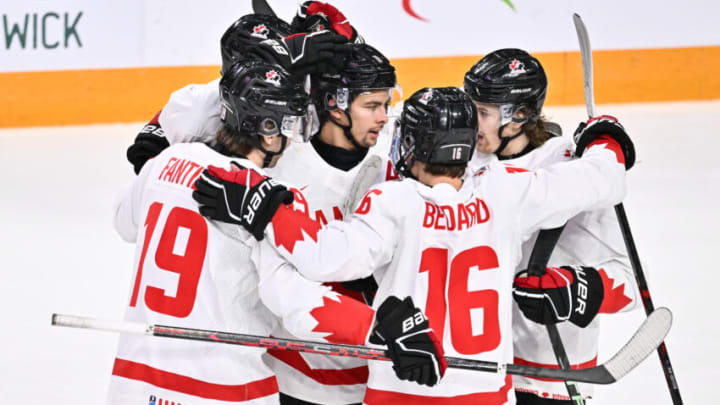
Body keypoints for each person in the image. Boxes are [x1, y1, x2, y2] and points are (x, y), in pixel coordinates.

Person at [193, 86, 636, 404]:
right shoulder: (507, 193)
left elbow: (324, 256)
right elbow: (599, 181)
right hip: (486, 394)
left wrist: (265, 211)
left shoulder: (394, 201)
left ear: (412, 145)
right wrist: (604, 141)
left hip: (401, 391)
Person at [110, 58, 418, 405]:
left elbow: (124, 222)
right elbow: (294, 301)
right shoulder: (272, 197)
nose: (294, 135)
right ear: (269, 129)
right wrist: (376, 327)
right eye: (291, 123)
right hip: (224, 389)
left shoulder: (166, 163)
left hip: (134, 381)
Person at [463, 48, 639, 404]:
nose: (469, 121)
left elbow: (632, 281)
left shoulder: (572, 168)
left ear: (522, 114)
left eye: (481, 112)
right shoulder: (460, 162)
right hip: (473, 369)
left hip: (548, 377)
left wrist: (578, 289)